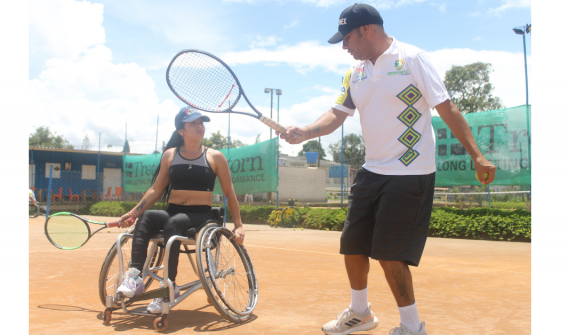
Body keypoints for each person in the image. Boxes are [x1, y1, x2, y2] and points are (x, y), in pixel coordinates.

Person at [279, 4, 497, 335]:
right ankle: (360, 313)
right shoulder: (355, 73)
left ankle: (412, 327)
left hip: (410, 172)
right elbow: (337, 114)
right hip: (372, 171)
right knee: (352, 246)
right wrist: (306, 132)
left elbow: (446, 107)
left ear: (367, 29)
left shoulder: (412, 59)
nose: (344, 46)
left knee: (389, 254)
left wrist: (477, 156)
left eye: (347, 37)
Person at [116, 106, 245, 314]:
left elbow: (230, 193)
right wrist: (133, 213)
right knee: (148, 217)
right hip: (174, 210)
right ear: (181, 131)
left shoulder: (215, 157)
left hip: (201, 215)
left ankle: (169, 286)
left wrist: (238, 226)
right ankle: (135, 276)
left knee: (174, 223)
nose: (199, 126)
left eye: (200, 122)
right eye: (192, 123)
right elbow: (156, 190)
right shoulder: (170, 155)